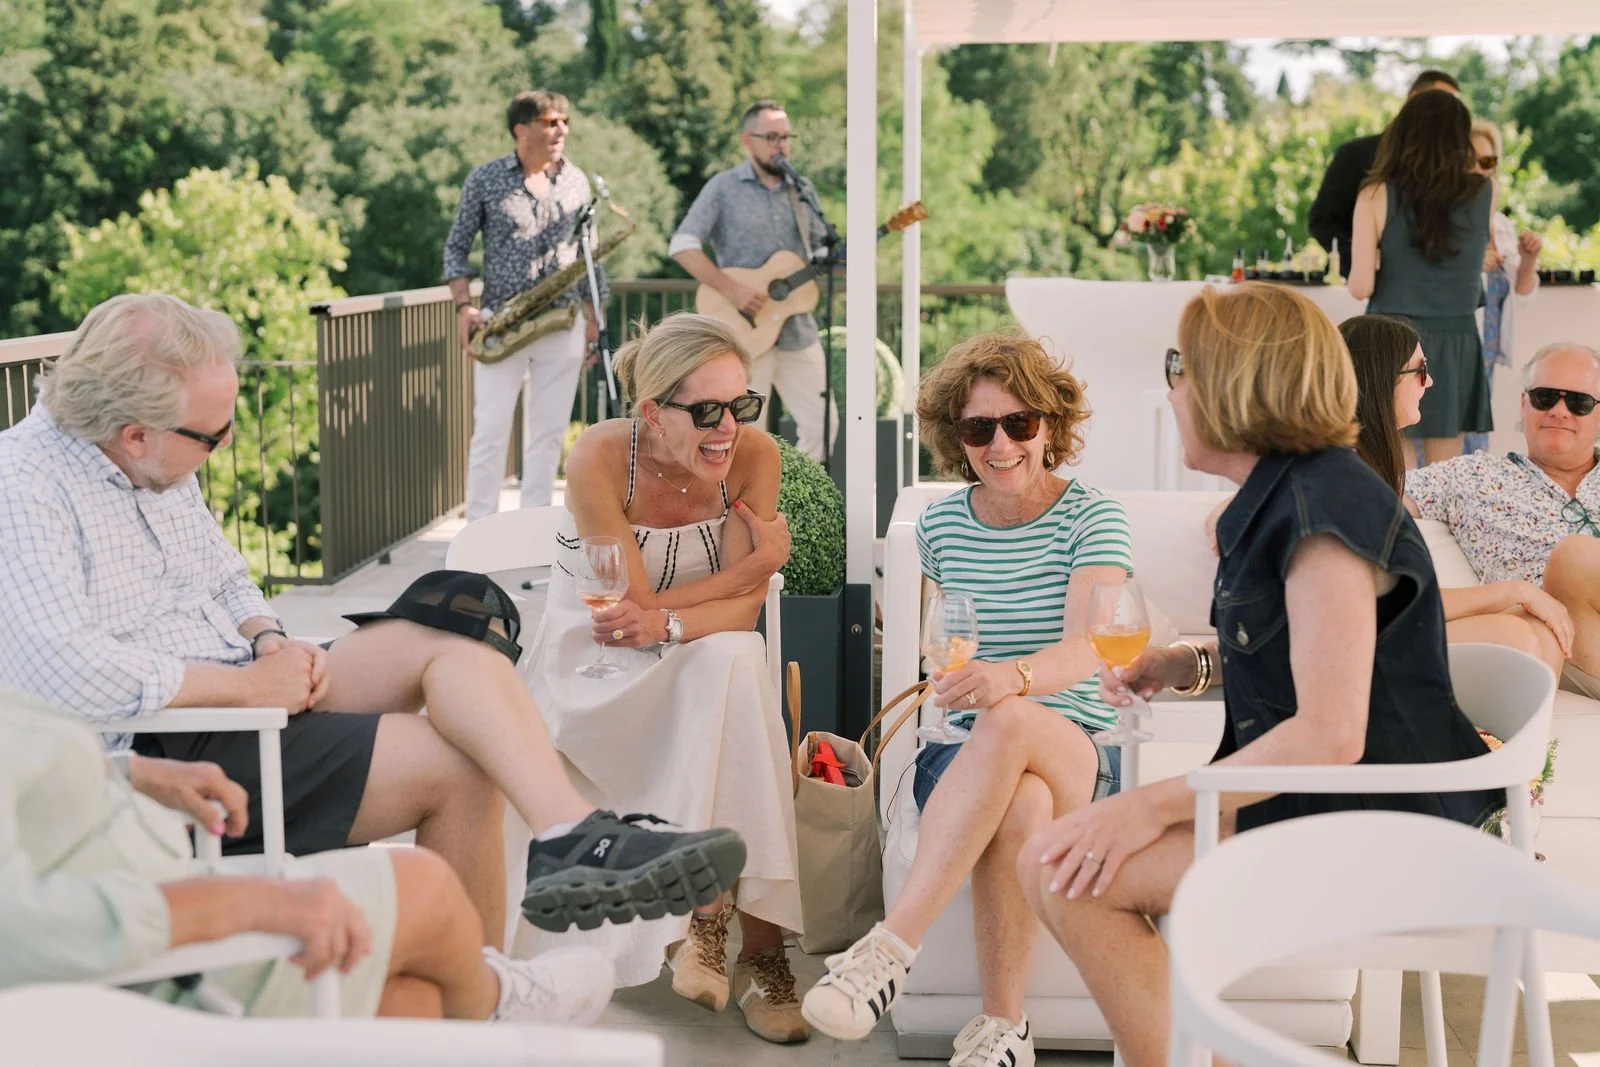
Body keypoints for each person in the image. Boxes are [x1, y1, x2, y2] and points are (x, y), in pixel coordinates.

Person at [0, 293, 746, 949]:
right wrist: (250, 687)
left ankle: (568, 834)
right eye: (213, 436)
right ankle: (479, 1004)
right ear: (135, 433)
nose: (219, 448)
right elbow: (60, 672)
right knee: (460, 763)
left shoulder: (153, 456)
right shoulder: (25, 485)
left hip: (241, 683)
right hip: (165, 742)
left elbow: (225, 574)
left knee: (460, 609)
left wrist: (267, 637)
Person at [1020, 283, 1498, 1067]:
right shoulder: (1287, 496)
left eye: (1182, 367)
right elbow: (1298, 663)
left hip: (1380, 827)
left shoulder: (1324, 515)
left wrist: (1146, 807)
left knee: (1070, 873)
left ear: (1236, 382)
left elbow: (1332, 733)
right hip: (1322, 808)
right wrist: (1186, 663)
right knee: (1058, 864)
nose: (1171, 390)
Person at [802, 333, 1133, 1067]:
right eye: (979, 427)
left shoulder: (1093, 516)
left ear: (1051, 424)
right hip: (965, 752)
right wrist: (957, 674)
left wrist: (1008, 679)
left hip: (1075, 745)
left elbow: (1090, 646)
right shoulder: (944, 526)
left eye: (1019, 422)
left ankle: (890, 948)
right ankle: (1002, 1032)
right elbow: (944, 637)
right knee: (1018, 802)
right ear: (957, 436)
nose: (1001, 443)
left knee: (1012, 721)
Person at [521, 313, 806, 1043]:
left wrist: (676, 624)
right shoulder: (601, 455)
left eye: (741, 405)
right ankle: (750, 950)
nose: (727, 428)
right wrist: (757, 564)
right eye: (707, 410)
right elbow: (629, 604)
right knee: (731, 675)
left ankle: (719, 934)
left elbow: (740, 618)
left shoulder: (754, 456)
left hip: (694, 646)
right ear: (652, 411)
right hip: (595, 658)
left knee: (736, 664)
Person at [0, 685, 616, 1023]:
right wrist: (243, 902)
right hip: (141, 967)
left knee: (412, 1002)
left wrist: (126, 772)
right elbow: (17, 935)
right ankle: (493, 1000)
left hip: (155, 892)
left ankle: (488, 999)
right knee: (419, 887)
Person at [1340, 313, 1568, 675]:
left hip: (1375, 630)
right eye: (1420, 369)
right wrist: (1515, 591)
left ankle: (1501, 733)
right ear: (1385, 378)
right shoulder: (1342, 471)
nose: (1429, 381)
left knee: (1537, 631)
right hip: (1349, 644)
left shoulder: (1365, 470)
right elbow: (1388, 600)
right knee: (1516, 637)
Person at [444, 88, 605, 521]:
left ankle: (533, 535)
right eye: (551, 122)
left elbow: (588, 253)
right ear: (521, 129)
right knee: (491, 432)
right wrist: (464, 307)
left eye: (564, 122)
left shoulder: (577, 180)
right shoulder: (485, 179)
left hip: (563, 321)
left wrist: (594, 317)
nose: (562, 130)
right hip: (503, 320)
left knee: (549, 435)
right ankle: (479, 535)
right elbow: (456, 248)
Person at [1406, 342, 1600, 700]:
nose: (1560, 411)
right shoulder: (1470, 475)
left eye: (1579, 402)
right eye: (1545, 397)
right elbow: (1371, 500)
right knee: (1574, 557)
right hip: (1566, 642)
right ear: (1525, 404)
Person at [669, 99, 837, 461]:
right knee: (741, 432)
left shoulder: (801, 190)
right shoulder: (723, 188)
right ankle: (747, 508)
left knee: (824, 424)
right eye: (771, 136)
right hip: (741, 332)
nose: (781, 144)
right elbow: (682, 245)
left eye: (786, 136)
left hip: (796, 328)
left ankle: (793, 501)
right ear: (748, 140)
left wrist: (842, 256)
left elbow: (822, 252)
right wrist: (733, 289)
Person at [1349, 89, 1495, 465]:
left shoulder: (1375, 194)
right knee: (1443, 471)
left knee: (1390, 467)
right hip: (1456, 340)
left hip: (1388, 340)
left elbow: (1360, 285)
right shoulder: (1483, 192)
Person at [1308, 69, 1461, 262]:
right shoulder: (1356, 154)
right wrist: (1361, 260)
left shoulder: (1454, 167)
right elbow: (1323, 221)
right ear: (1414, 99)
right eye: (1440, 103)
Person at [1463, 120, 1543, 454]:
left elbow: (1518, 298)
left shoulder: (1502, 227)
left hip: (1487, 356)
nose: (1479, 171)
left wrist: (1527, 260)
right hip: (1456, 351)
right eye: (1470, 161)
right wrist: (1468, 266)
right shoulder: (1445, 226)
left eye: (1488, 162)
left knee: (1477, 441)